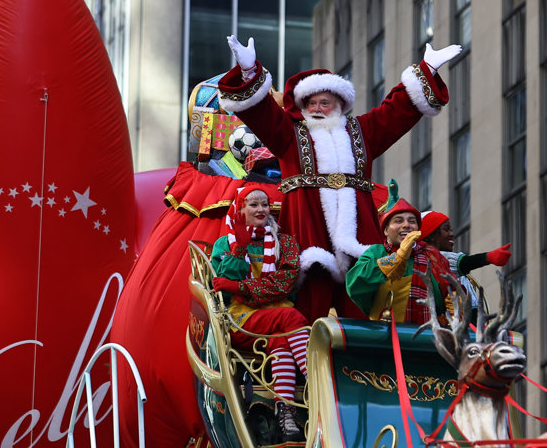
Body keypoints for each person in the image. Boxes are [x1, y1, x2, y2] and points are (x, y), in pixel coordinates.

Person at [218, 34, 462, 321]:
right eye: (311, 103)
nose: (318, 109)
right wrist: (249, 71)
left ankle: (362, 362)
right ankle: (305, 360)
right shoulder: (289, 134)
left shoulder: (362, 131)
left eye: (325, 102)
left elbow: (395, 112)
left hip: (357, 230)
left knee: (361, 301)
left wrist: (427, 70)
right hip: (307, 228)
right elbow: (262, 112)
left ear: (339, 105)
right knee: (311, 294)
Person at [210, 186, 309, 442]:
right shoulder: (225, 243)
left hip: (277, 321)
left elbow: (283, 284)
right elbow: (223, 289)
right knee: (293, 318)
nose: (261, 209)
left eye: (265, 204)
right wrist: (239, 250)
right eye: (253, 205)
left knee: (281, 342)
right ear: (240, 209)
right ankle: (319, 382)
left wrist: (242, 287)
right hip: (241, 321)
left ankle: (284, 410)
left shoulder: (284, 242)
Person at [344, 180, 453, 324]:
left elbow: (452, 289)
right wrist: (399, 257)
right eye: (398, 221)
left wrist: (453, 313)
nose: (406, 225)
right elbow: (355, 285)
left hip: (428, 337)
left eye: (412, 221)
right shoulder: (377, 252)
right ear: (385, 230)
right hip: (386, 336)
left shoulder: (431, 255)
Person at [420, 211, 512, 310]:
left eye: (451, 229)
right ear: (431, 235)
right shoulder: (433, 260)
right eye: (446, 229)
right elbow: (464, 263)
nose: (451, 234)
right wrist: (488, 257)